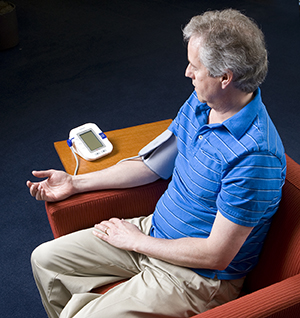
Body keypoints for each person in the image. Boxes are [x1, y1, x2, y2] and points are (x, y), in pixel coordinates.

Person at [27, 9, 286, 318]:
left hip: (196, 277)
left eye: (195, 66)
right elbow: (151, 164)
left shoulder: (255, 157)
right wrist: (76, 182)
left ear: (225, 77)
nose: (187, 73)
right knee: (45, 260)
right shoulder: (202, 103)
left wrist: (137, 242)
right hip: (155, 231)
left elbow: (216, 255)